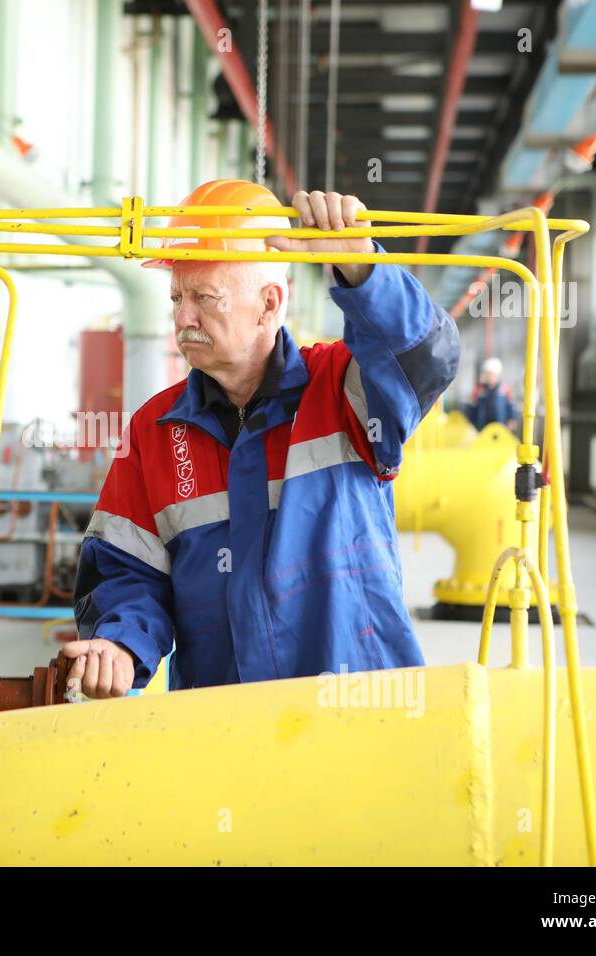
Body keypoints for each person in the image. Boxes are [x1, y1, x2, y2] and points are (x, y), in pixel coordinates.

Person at [63, 179, 459, 698]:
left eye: (204, 298)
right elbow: (126, 570)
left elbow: (427, 357)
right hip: (221, 730)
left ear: (269, 304)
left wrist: (364, 265)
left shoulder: (345, 389)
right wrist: (119, 643)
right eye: (178, 296)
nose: (183, 318)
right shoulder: (153, 433)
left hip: (362, 720)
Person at [466, 356, 518, 432]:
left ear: (497, 375)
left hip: (500, 427)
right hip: (482, 428)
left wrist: (512, 420)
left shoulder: (505, 389)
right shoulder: (479, 389)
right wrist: (470, 423)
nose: (490, 376)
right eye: (488, 374)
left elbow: (511, 406)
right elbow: (472, 408)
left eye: (492, 374)